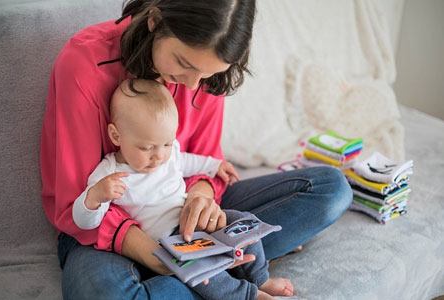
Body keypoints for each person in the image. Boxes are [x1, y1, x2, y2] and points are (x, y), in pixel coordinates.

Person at [40, 0, 353, 299]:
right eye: (184, 64)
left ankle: (211, 270)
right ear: (155, 21)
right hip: (102, 231)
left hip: (181, 212)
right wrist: (154, 255)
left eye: (208, 73)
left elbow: (206, 161)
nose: (192, 86)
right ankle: (226, 278)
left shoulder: (204, 74)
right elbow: (74, 203)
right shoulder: (83, 64)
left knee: (331, 189)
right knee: (102, 294)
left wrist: (201, 201)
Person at [72, 78, 293, 300]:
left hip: (195, 219)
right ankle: (246, 295)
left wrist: (215, 166)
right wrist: (95, 197)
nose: (159, 156)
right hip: (170, 240)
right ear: (116, 136)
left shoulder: (167, 154)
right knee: (203, 270)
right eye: (147, 147)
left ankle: (260, 278)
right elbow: (84, 221)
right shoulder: (110, 172)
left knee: (243, 221)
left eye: (167, 144)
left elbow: (187, 162)